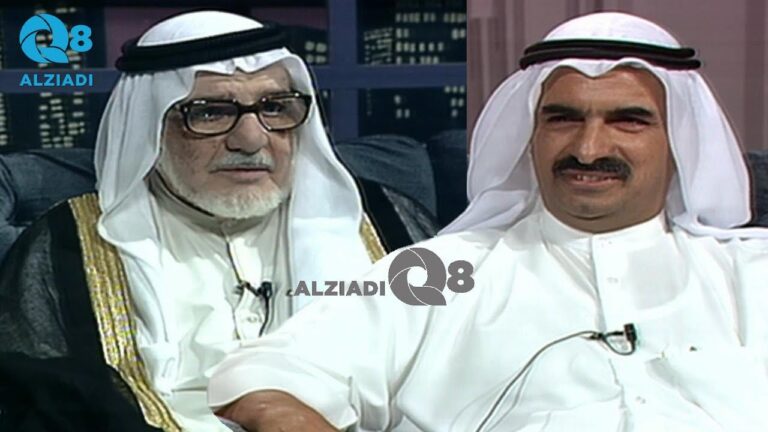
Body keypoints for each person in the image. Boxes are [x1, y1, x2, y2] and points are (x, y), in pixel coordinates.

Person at [208, 12, 768, 432]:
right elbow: (264, 378)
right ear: (531, 135)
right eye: (562, 119)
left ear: (680, 142)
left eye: (629, 121)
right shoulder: (441, 273)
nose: (589, 148)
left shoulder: (749, 272)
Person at [0, 11, 386, 432]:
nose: (251, 140)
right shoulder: (68, 246)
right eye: (211, 113)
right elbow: (39, 401)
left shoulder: (382, 223)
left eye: (275, 108)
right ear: (149, 128)